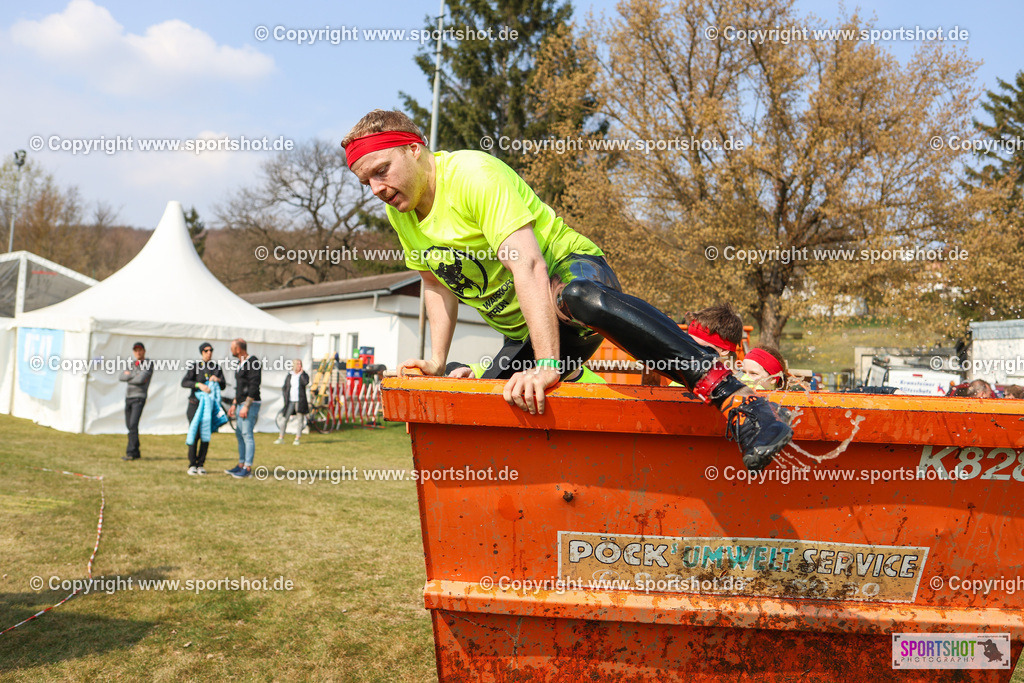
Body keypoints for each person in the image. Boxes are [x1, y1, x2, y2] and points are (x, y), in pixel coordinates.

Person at [342, 109, 793, 471]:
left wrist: (547, 364)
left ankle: (742, 401)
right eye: (366, 183)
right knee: (481, 421)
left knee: (577, 297)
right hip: (529, 331)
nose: (377, 189)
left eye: (382, 171)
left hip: (568, 278)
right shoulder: (401, 213)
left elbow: (529, 264)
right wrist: (438, 361)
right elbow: (435, 282)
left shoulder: (473, 175)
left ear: (415, 149)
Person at [181, 342, 226, 474]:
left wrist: (217, 380)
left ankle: (201, 463)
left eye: (211, 350)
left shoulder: (216, 368)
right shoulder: (195, 367)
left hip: (209, 406)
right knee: (195, 433)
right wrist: (199, 385)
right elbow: (184, 382)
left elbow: (223, 385)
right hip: (195, 404)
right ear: (202, 352)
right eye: (206, 351)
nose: (209, 353)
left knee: (205, 433)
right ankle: (192, 464)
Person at [226, 339, 261, 478]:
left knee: (247, 434)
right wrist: (234, 404)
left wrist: (246, 406)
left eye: (232, 348)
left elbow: (254, 385)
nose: (231, 350)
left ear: (238, 349)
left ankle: (247, 467)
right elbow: (240, 387)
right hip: (240, 403)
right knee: (240, 434)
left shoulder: (253, 362)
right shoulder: (239, 363)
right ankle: (241, 464)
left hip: (250, 404)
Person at [119, 341, 153, 461]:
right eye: (136, 350)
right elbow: (121, 377)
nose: (138, 352)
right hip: (128, 397)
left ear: (144, 351)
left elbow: (141, 379)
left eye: (140, 350)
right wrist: (135, 375)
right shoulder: (132, 364)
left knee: (133, 424)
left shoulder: (148, 364)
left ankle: (131, 452)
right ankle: (136, 451)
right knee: (130, 425)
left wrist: (130, 375)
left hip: (139, 397)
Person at [276, 359, 309, 445]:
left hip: (300, 401)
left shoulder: (304, 375)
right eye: (297, 364)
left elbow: (305, 382)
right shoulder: (290, 375)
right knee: (284, 419)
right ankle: (281, 437)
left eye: (300, 364)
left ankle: (297, 438)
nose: (299, 366)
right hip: (290, 401)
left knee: (300, 420)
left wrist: (301, 374)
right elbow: (285, 387)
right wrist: (285, 397)